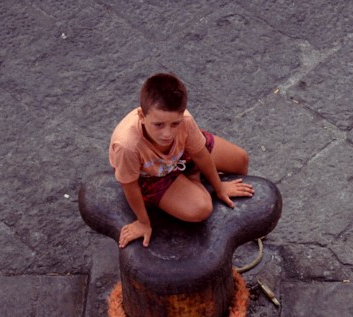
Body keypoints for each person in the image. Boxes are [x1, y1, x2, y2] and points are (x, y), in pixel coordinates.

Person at [108, 72, 253, 248]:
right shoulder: (127, 146)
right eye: (159, 125)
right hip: (151, 173)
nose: (167, 134)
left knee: (241, 159)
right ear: (141, 116)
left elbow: (200, 153)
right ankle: (193, 178)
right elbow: (129, 186)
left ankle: (193, 176)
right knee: (202, 208)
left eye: (174, 124)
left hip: (182, 152)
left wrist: (219, 187)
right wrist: (143, 222)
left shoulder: (185, 120)